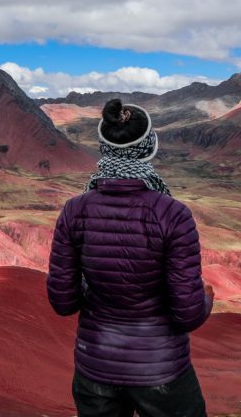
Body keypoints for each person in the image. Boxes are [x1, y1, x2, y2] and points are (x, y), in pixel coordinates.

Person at [47, 98, 214, 417]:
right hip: (160, 371)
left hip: (95, 369)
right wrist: (206, 300)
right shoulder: (174, 215)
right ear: (149, 146)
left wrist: (101, 293)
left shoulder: (74, 210)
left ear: (103, 148)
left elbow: (62, 302)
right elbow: (188, 314)